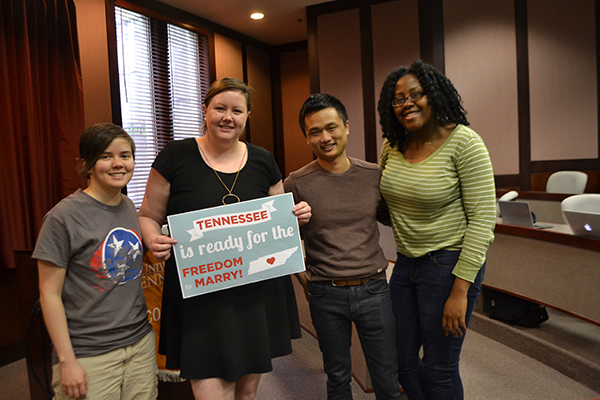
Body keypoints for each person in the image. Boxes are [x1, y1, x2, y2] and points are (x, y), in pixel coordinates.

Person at [138, 77, 311, 400]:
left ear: (247, 116)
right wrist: (151, 239)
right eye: (220, 108)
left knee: (246, 393)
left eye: (237, 111)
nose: (227, 117)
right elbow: (148, 214)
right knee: (210, 391)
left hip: (255, 292)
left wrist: (296, 216)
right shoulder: (175, 156)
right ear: (205, 110)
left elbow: (278, 220)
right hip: (200, 297)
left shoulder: (263, 160)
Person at [377, 60, 496, 400]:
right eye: (398, 99)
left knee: (440, 367)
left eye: (416, 94)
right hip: (405, 263)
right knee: (400, 360)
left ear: (434, 94)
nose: (407, 104)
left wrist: (460, 292)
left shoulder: (465, 142)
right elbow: (385, 203)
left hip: (449, 265)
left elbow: (483, 221)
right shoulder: (392, 145)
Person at [284, 93, 402, 400]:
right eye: (315, 132)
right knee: (337, 377)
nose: (325, 138)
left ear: (347, 127)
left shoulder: (374, 175)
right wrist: (304, 279)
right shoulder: (296, 183)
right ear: (307, 137)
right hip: (326, 294)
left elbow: (394, 218)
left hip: (374, 289)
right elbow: (281, 240)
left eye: (331, 127)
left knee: (387, 378)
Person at [33, 123, 157, 400]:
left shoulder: (128, 206)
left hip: (139, 343)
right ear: (86, 165)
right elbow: (48, 294)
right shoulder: (62, 217)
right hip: (89, 353)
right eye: (105, 156)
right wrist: (67, 361)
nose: (118, 164)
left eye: (125, 155)